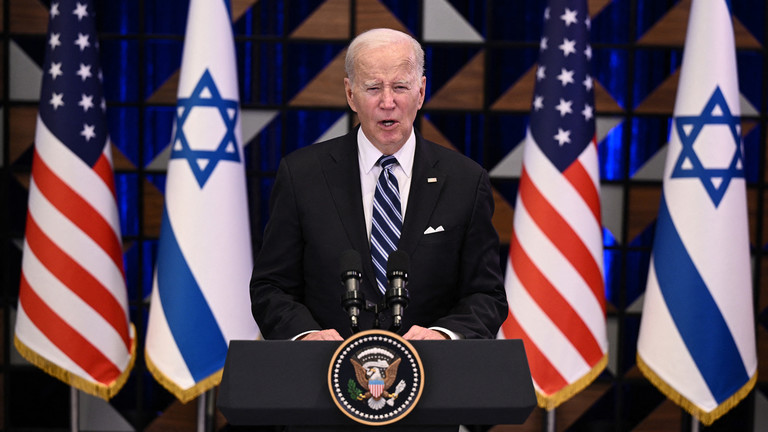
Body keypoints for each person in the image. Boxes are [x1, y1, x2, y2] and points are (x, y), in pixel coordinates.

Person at [250, 28, 507, 342]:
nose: (388, 102)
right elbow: (271, 287)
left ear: (421, 92)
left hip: (431, 377)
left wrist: (443, 336)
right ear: (350, 94)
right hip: (324, 374)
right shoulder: (302, 175)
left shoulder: (465, 181)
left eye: (400, 86)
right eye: (373, 88)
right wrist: (306, 336)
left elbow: (486, 294)